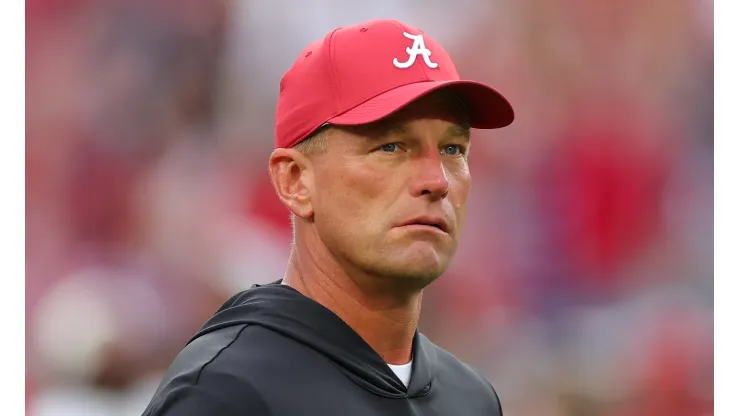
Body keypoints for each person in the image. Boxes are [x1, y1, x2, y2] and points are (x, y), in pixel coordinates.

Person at [143, 18, 514, 415]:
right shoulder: (226, 392)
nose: (436, 180)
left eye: (453, 149)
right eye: (391, 147)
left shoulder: (471, 398)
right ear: (295, 180)